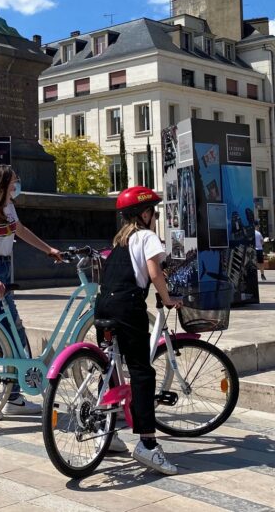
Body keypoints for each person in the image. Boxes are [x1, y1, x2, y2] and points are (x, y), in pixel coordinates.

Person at [96, 186, 182, 475]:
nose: (155, 216)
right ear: (145, 214)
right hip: (127, 308)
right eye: (154, 212)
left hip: (103, 307)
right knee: (142, 373)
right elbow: (153, 270)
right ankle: (147, 444)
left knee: (109, 364)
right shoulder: (146, 236)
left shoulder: (120, 241)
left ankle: (103, 428)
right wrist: (168, 298)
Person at [0, 165, 61, 418]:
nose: (17, 185)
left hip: (3, 270)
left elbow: (21, 230)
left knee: (14, 333)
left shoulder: (7, 206)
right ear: (4, 183)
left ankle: (14, 397)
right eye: (15, 181)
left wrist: (48, 249)